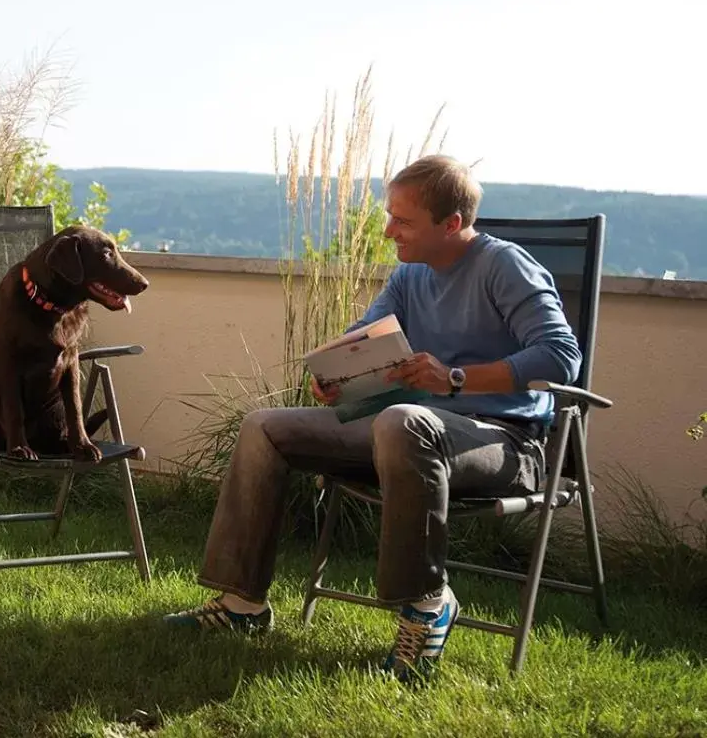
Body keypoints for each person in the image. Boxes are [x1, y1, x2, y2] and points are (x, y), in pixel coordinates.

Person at [162, 154, 581, 682]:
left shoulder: (504, 266)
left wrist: (453, 378)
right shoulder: (411, 276)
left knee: (403, 420)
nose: (388, 232)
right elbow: (365, 335)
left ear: (451, 224)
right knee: (264, 426)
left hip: (504, 443)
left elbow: (561, 355)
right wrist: (337, 372)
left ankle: (428, 603)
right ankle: (243, 605)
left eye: (403, 221)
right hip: (406, 430)